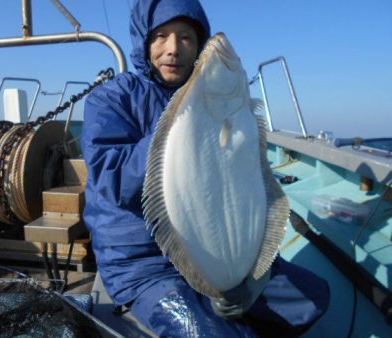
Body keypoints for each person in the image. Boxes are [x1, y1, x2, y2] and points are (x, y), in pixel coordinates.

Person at [82, 0, 330, 337]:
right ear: (144, 41)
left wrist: (252, 275)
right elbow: (113, 180)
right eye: (160, 37)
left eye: (185, 38)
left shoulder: (214, 96)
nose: (172, 49)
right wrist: (179, 132)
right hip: (143, 263)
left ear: (198, 45)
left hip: (219, 242)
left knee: (313, 299)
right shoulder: (111, 99)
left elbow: (245, 179)